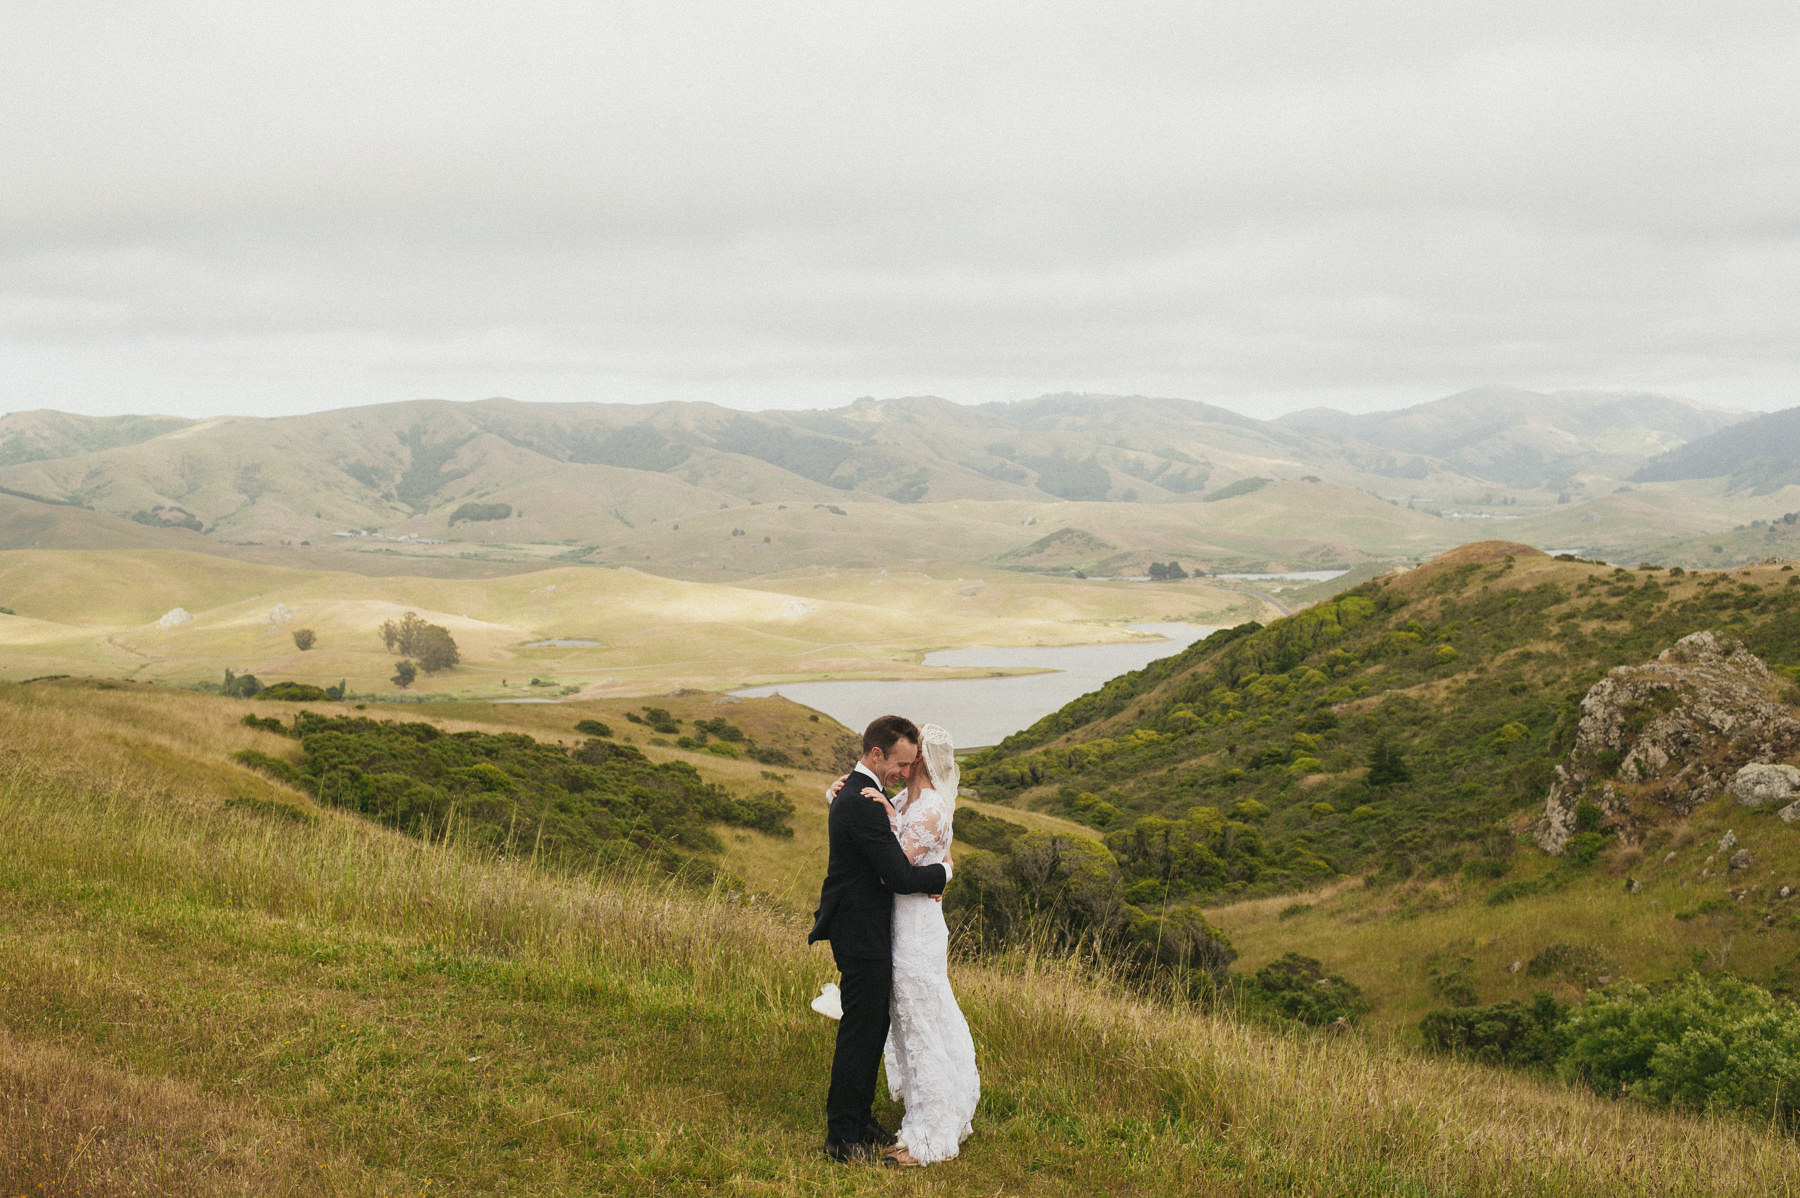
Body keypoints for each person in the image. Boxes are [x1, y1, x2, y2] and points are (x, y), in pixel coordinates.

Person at [808, 715, 950, 1164]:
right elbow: (901, 875)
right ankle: (841, 1135)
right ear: (876, 755)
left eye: (911, 766)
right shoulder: (861, 800)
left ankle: (860, 1118)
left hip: (868, 928)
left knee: (872, 1029)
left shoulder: (861, 792)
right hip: (859, 931)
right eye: (901, 765)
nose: (905, 774)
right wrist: (944, 872)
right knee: (860, 1030)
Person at [854, 722, 979, 1167]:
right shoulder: (911, 800)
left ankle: (931, 1134)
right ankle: (932, 1105)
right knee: (912, 1020)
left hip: (916, 931)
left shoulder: (926, 809)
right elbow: (944, 858)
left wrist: (886, 818)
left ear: (920, 761)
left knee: (921, 1021)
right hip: (904, 925)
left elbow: (896, 870)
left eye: (908, 760)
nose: (900, 767)